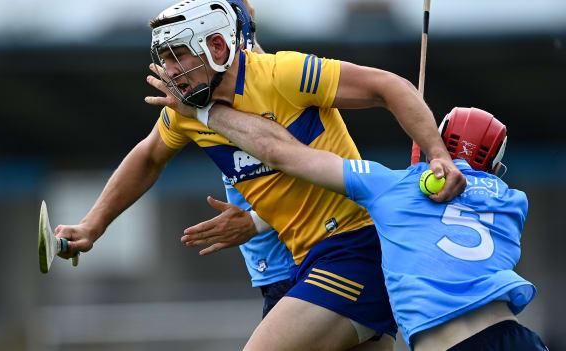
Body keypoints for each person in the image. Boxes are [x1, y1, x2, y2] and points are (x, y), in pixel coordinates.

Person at [60, 0, 465, 350]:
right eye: (163, 58)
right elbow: (148, 157)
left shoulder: (283, 74)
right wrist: (92, 226)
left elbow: (388, 86)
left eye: (177, 56)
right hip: (307, 259)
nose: (168, 71)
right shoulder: (186, 111)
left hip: (356, 248)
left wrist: (436, 154)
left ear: (216, 46)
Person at [186, 104, 547, 350]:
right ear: (495, 166)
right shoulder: (512, 202)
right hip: (519, 339)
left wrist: (205, 110)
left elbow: (282, 154)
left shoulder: (391, 186)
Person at [173, 0, 295, 320]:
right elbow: (146, 157)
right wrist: (92, 226)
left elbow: (328, 176)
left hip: (307, 264)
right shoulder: (197, 98)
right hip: (275, 273)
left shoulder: (279, 81)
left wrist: (255, 221)